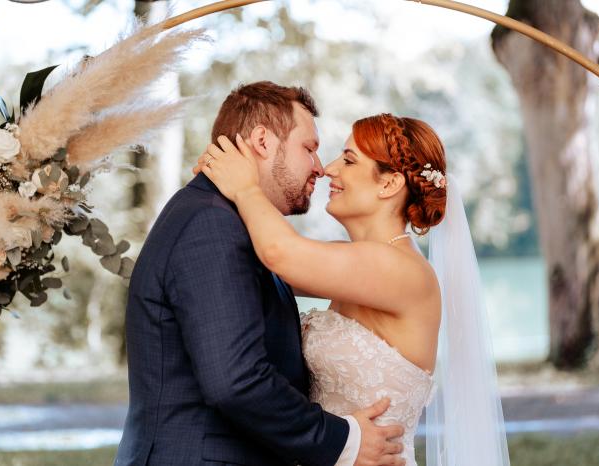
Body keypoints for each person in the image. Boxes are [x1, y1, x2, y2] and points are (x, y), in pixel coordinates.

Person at [114, 83, 406, 466]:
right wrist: (341, 441)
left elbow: (300, 260)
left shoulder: (233, 223)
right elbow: (235, 382)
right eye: (310, 148)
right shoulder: (211, 224)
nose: (320, 166)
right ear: (263, 141)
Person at [196, 113, 511, 466]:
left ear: (390, 184)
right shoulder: (352, 264)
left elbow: (278, 253)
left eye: (348, 160)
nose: (329, 169)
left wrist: (245, 186)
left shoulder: (403, 271)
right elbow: (257, 265)